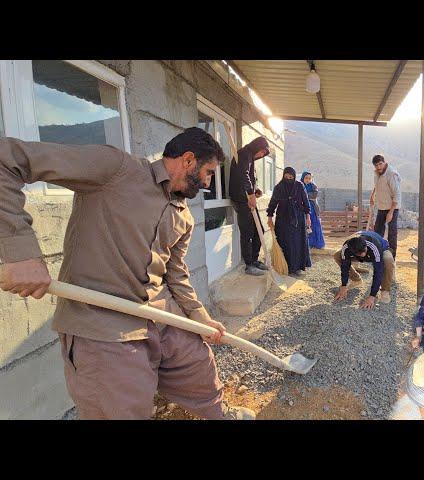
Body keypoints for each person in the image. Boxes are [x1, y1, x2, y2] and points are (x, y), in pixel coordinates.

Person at [0, 127, 255, 420]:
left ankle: (218, 413)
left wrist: (199, 317)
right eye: (209, 172)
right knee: (122, 406)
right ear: (188, 160)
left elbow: (176, 273)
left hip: (159, 315)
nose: (209, 183)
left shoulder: (182, 213)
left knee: (198, 364)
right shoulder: (116, 169)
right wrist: (21, 252)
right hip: (104, 324)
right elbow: (6, 160)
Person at [229, 136, 270, 276]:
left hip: (247, 198)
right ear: (257, 146)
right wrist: (250, 193)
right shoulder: (244, 153)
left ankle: (254, 259)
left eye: (264, 154)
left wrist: (255, 191)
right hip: (242, 200)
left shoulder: (250, 156)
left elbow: (249, 178)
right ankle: (248, 265)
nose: (261, 155)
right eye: (262, 152)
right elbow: (243, 174)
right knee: (247, 233)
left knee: (259, 231)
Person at [266, 167, 312, 276]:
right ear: (283, 176)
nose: (288, 179)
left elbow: (306, 202)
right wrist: (269, 217)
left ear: (294, 177)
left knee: (297, 242)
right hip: (283, 219)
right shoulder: (279, 187)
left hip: (298, 219)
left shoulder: (299, 186)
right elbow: (273, 203)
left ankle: (297, 267)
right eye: (286, 177)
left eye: (291, 177)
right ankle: (284, 266)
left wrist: (308, 217)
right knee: (284, 242)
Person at [333, 230, 395, 309]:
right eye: (360, 253)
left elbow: (378, 271)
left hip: (382, 249)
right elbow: (345, 266)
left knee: (388, 259)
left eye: (364, 251)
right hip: (359, 250)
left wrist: (372, 296)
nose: (363, 254)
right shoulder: (347, 248)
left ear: (365, 246)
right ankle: (356, 279)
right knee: (337, 255)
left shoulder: (373, 246)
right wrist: (344, 285)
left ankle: (385, 291)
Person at [368, 154, 401, 259]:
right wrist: (372, 195)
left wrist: (391, 212)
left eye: (380, 164)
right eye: (376, 165)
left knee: (392, 232)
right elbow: (377, 184)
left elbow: (397, 194)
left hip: (392, 207)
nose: (379, 167)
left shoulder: (391, 174)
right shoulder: (377, 173)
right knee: (377, 231)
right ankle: (377, 254)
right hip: (382, 206)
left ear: (384, 162)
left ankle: (392, 257)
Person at [301, 171, 325, 249]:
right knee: (305, 226)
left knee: (314, 224)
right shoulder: (299, 186)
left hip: (312, 208)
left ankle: (317, 243)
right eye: (306, 178)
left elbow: (314, 195)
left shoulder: (313, 186)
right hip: (303, 208)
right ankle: (307, 244)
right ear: (303, 178)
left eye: (309, 178)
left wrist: (305, 196)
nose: (308, 180)